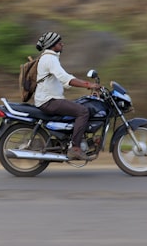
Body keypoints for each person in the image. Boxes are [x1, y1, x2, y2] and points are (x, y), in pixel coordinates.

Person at [33, 31, 100, 161]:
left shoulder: (50, 58)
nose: (62, 44)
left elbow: (62, 80)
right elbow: (65, 78)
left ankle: (70, 140)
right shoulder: (50, 59)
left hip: (50, 99)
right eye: (59, 42)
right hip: (49, 100)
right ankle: (75, 148)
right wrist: (89, 84)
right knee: (83, 111)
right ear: (52, 44)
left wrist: (86, 86)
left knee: (79, 105)